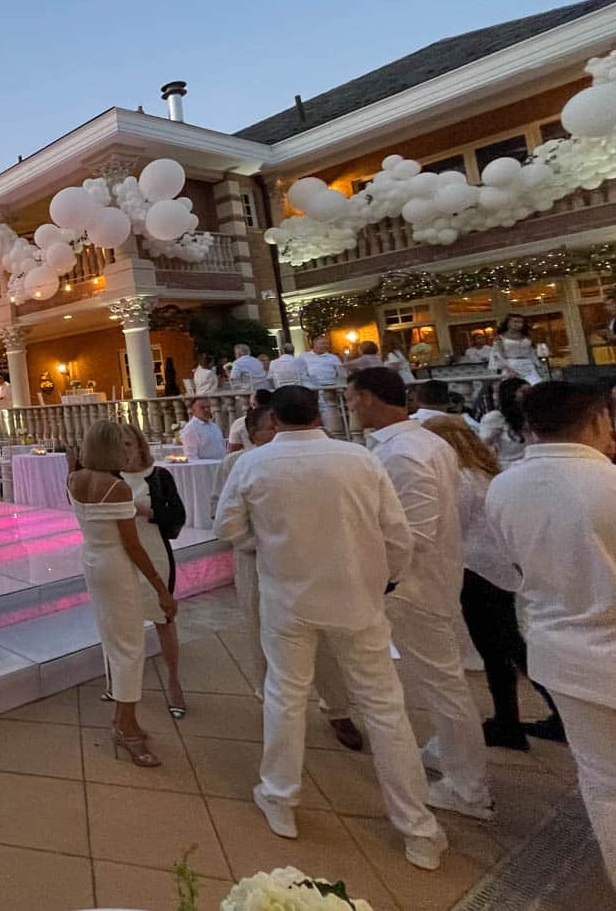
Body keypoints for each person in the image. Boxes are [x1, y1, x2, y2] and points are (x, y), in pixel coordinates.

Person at [213, 384, 447, 868]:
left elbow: (227, 528)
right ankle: (418, 827)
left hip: (288, 599)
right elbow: (397, 534)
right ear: (318, 414)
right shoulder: (358, 459)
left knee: (286, 696)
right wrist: (385, 579)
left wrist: (270, 544)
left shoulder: (254, 464)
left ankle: (280, 799)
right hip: (357, 597)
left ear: (272, 420)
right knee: (384, 707)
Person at [346, 367, 493, 822]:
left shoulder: (405, 453)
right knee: (440, 679)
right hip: (432, 578)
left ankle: (469, 787)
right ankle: (449, 752)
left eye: (352, 400)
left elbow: (415, 534)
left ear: (368, 398)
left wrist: (381, 579)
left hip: (416, 585)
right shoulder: (424, 443)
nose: (350, 409)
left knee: (444, 683)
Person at [487, 382, 616, 886]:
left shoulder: (504, 487)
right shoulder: (607, 483)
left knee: (603, 781)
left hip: (560, 650)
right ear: (597, 421)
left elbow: (512, 567)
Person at [213, 404, 364, 750]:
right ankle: (271, 702)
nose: (278, 433)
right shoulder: (238, 464)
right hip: (256, 561)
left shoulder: (316, 460)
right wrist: (260, 543)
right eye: (271, 428)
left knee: (325, 635)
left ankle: (338, 708)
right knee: (261, 631)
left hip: (311, 561)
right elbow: (221, 516)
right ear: (254, 434)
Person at [421, 416, 563, 749]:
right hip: (498, 569)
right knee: (507, 646)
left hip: (476, 571)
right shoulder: (485, 474)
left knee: (499, 649)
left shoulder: (460, 479)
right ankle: (522, 717)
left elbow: (450, 526)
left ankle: (515, 721)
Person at [67, 421, 179, 767]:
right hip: (115, 566)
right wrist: (160, 588)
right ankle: (126, 727)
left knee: (114, 639)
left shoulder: (75, 479)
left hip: (92, 561)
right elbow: (132, 545)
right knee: (130, 647)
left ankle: (123, 717)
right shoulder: (116, 488)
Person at [111, 421, 188, 718]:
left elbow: (177, 518)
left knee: (162, 617)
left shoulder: (159, 477)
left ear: (139, 446)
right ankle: (122, 683)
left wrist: (150, 512)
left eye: (128, 444)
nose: (124, 452)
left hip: (154, 552)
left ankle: (174, 680)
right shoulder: (111, 478)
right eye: (118, 446)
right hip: (121, 555)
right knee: (122, 622)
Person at [478, 376, 530, 468]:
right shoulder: (495, 417)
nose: (529, 395)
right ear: (511, 394)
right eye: (524, 392)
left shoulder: (530, 415)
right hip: (507, 467)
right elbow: (482, 446)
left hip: (530, 463)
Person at [490, 313, 542, 385]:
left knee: (536, 385)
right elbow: (498, 355)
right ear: (508, 324)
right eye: (515, 322)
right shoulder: (500, 338)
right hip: (510, 366)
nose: (520, 324)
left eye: (521, 322)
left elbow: (531, 352)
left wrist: (536, 364)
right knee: (514, 387)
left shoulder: (526, 336)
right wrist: (507, 369)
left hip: (528, 365)